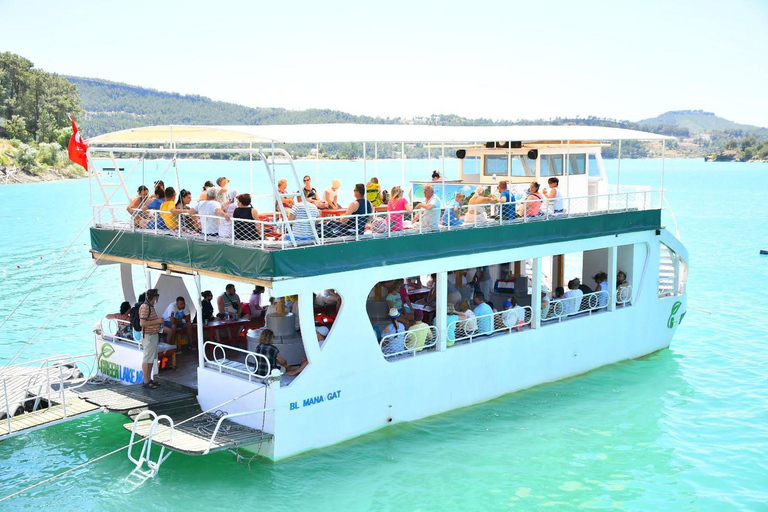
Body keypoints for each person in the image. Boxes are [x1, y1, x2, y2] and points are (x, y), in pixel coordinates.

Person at [138, 289, 163, 389]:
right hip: (149, 336)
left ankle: (149, 378)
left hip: (153, 335)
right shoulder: (145, 307)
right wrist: (157, 321)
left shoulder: (150, 306)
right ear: (154, 297)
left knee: (151, 358)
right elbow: (142, 323)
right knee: (147, 358)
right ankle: (146, 380)